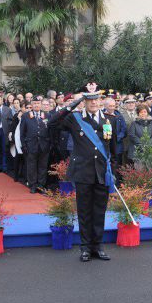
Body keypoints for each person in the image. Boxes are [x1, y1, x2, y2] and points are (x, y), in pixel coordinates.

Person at [48, 82, 117, 262]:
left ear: (101, 100)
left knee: (99, 211)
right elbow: (53, 123)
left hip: (101, 172)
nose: (93, 102)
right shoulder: (75, 119)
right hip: (83, 172)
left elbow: (113, 149)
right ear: (84, 101)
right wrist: (71, 105)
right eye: (89, 99)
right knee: (84, 211)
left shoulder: (110, 119)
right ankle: (85, 247)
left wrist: (112, 172)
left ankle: (98, 246)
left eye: (96, 99)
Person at [20, 98, 51, 193]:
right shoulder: (26, 116)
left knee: (43, 166)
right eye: (35, 103)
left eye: (38, 103)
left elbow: (50, 131)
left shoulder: (47, 115)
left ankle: (41, 185)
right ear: (32, 105)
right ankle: (33, 185)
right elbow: (22, 133)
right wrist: (24, 145)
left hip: (44, 145)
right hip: (31, 145)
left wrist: (49, 144)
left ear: (41, 104)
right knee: (31, 166)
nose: (37, 105)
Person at [9, 101, 28, 182]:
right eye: (24, 107)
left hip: (26, 140)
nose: (26, 109)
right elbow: (13, 127)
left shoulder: (29, 115)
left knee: (26, 159)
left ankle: (26, 177)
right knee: (18, 158)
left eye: (27, 107)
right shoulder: (16, 115)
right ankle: (16, 175)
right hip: (17, 139)